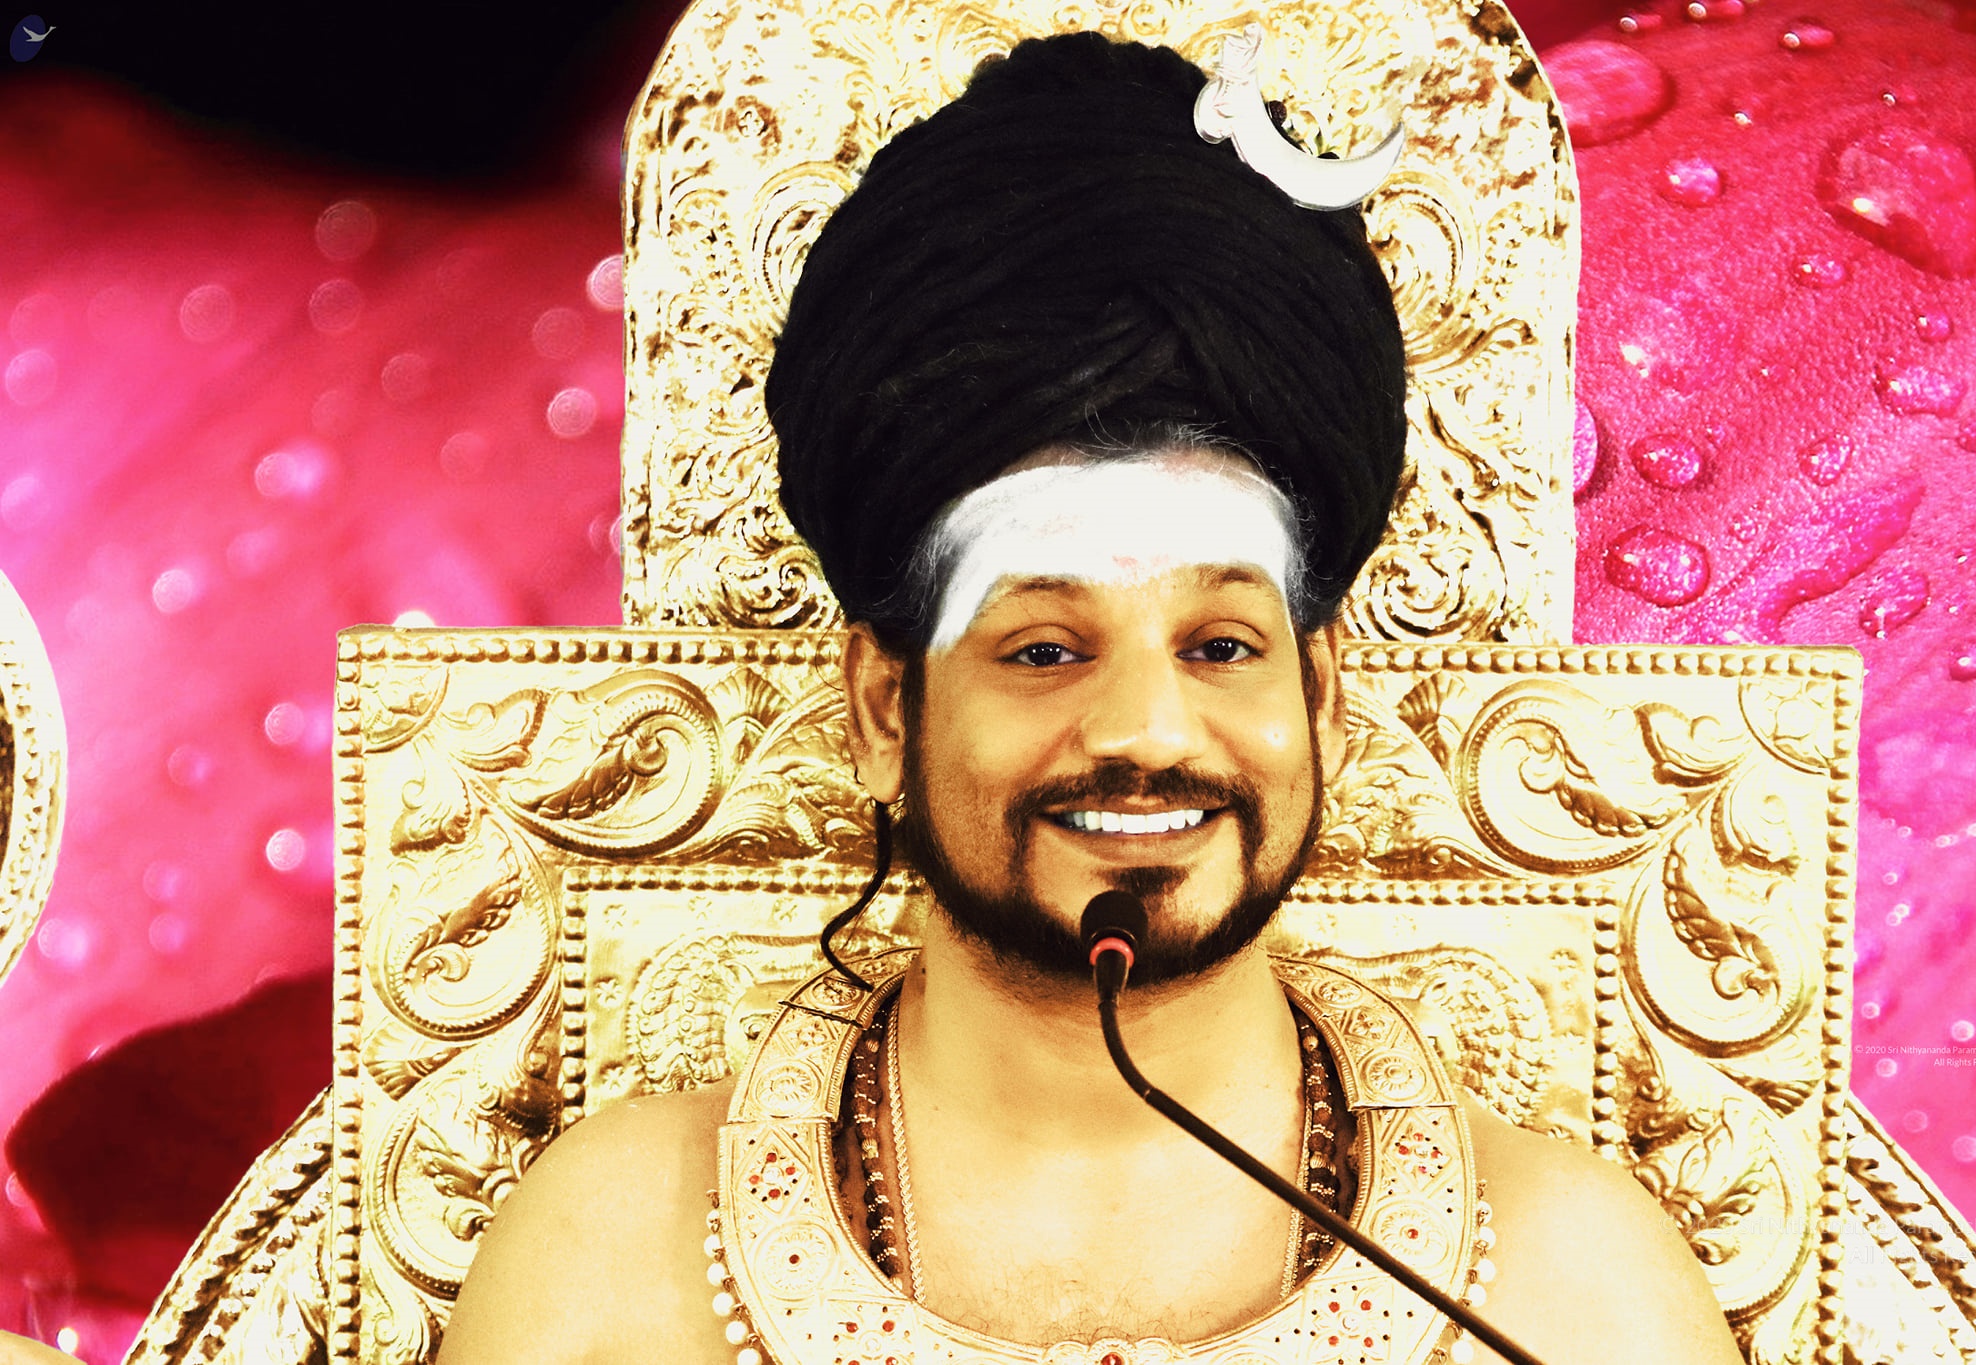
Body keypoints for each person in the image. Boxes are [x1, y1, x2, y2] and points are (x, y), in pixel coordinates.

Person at [438, 32, 1742, 1365]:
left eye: (1220, 645)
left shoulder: (1574, 1291)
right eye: (1044, 650)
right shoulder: (610, 1267)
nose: (1145, 730)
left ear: (1322, 700)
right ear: (886, 709)